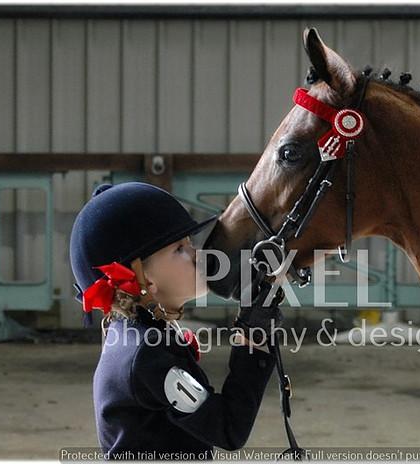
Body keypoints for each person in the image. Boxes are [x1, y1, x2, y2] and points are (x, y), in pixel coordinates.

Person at [69, 181, 283, 460]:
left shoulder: (135, 333)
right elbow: (228, 428)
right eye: (179, 249)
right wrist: (252, 341)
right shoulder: (148, 355)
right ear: (143, 278)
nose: (197, 254)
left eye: (189, 244)